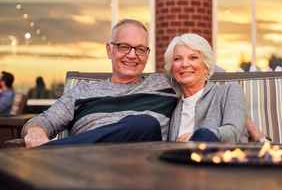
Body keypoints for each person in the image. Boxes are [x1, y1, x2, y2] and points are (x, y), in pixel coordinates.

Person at [22, 19, 178, 148]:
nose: (132, 55)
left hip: (144, 172)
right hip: (88, 167)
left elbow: (198, 82)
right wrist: (36, 131)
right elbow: (44, 120)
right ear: (109, 50)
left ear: (147, 54)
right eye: (124, 47)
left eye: (140, 49)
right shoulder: (83, 91)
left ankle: (51, 151)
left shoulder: (165, 84)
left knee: (144, 124)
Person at [165, 34, 247, 142]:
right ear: (172, 68)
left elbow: (233, 132)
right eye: (177, 59)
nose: (184, 64)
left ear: (206, 66)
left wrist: (198, 137)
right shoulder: (171, 102)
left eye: (193, 57)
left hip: (221, 156)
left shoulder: (229, 91)